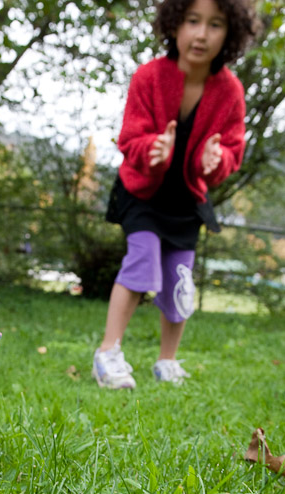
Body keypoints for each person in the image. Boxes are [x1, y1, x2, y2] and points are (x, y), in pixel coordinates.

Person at [92, 0, 258, 389]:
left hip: (186, 198)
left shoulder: (230, 90)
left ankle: (167, 361)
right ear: (175, 24)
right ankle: (108, 353)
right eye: (193, 21)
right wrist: (153, 149)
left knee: (181, 281)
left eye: (215, 25)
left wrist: (214, 160)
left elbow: (232, 151)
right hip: (142, 192)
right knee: (143, 259)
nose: (201, 34)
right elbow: (130, 137)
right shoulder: (149, 76)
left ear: (229, 33)